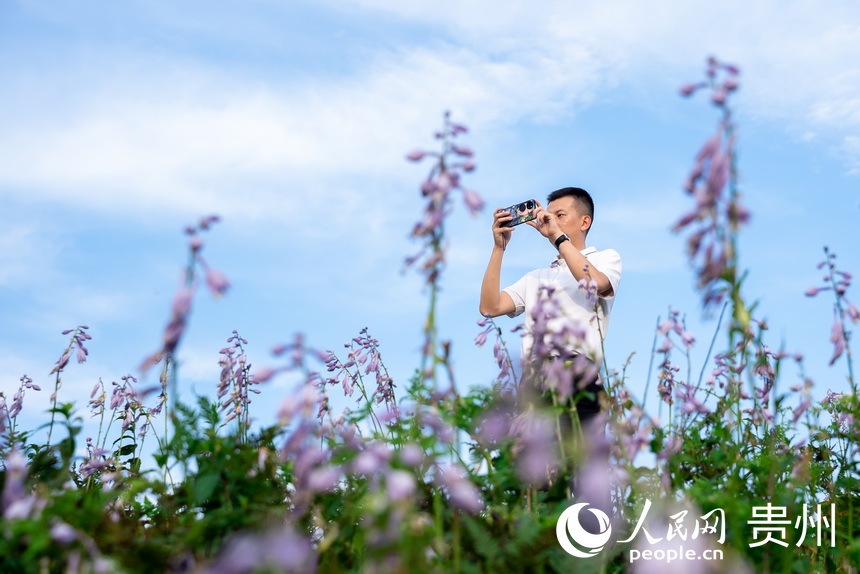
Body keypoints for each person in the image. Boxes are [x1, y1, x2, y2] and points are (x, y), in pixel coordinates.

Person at [479, 187, 622, 434]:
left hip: (578, 375)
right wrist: (498, 248)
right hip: (534, 382)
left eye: (560, 215)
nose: (551, 220)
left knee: (577, 464)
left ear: (584, 221)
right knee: (534, 468)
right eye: (549, 215)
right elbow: (490, 307)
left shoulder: (605, 259)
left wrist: (558, 238)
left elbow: (595, 283)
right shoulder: (537, 276)